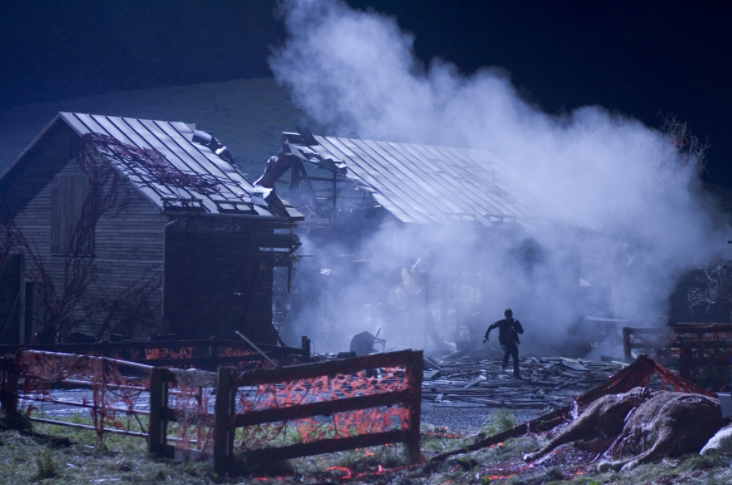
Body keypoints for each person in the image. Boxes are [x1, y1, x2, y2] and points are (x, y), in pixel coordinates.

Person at [483, 308, 524, 378]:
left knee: (515, 357)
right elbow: (491, 326)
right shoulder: (502, 322)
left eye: (510, 315)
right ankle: (504, 365)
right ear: (505, 315)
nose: (508, 317)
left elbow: (521, 331)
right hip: (503, 342)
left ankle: (516, 374)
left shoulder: (515, 322)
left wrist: (516, 329)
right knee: (508, 350)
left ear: (511, 315)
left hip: (512, 342)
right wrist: (486, 336)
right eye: (507, 315)